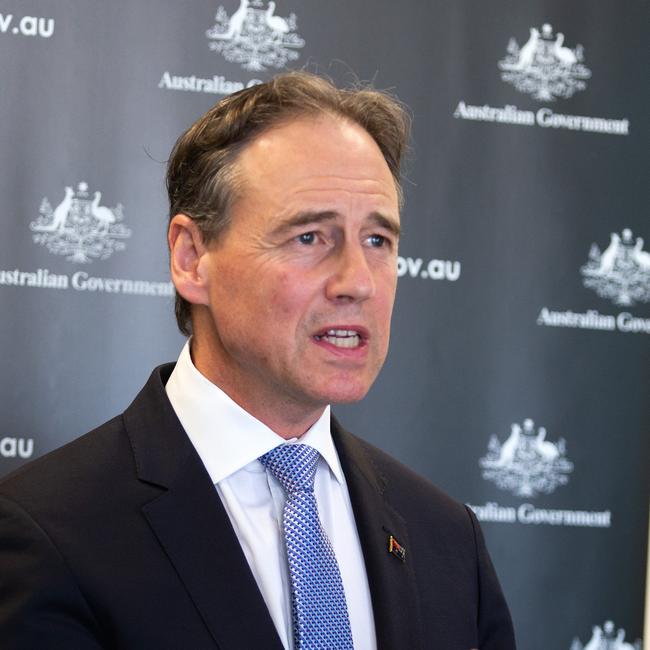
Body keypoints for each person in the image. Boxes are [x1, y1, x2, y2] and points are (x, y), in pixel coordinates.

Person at [0, 72, 516, 649]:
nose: (358, 283)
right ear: (192, 259)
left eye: (377, 241)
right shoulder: (48, 531)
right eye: (309, 237)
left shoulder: (447, 538)